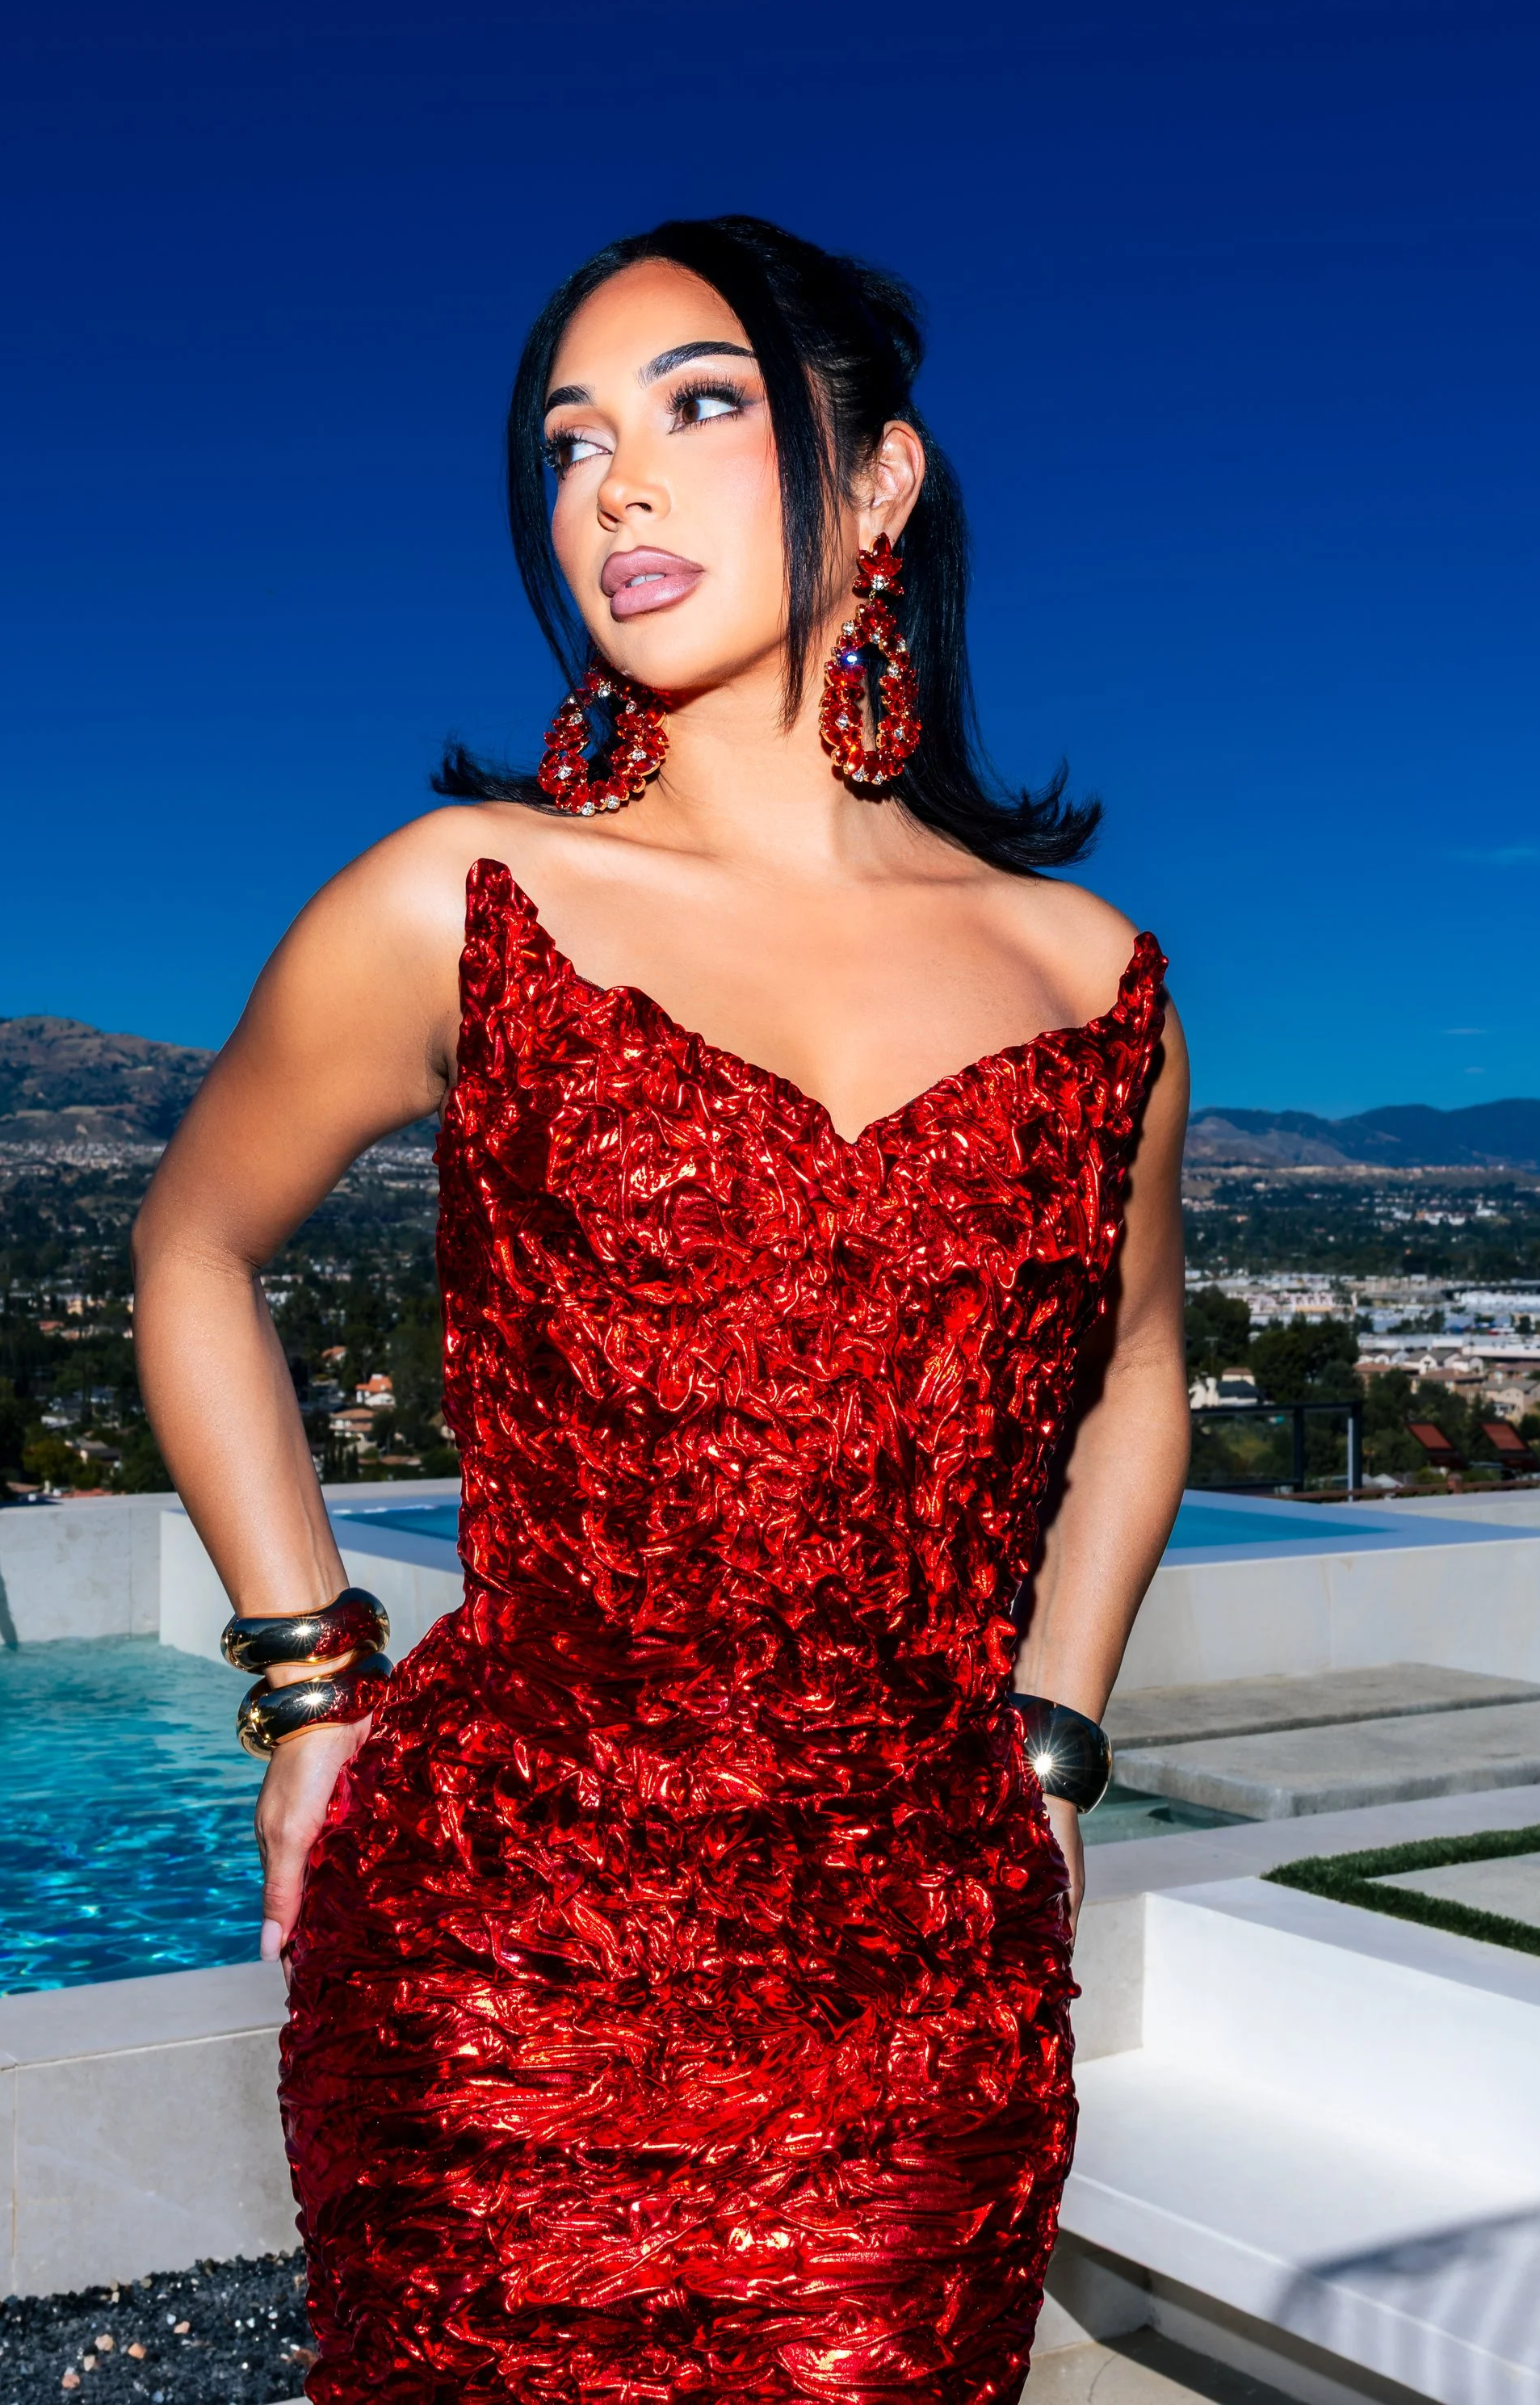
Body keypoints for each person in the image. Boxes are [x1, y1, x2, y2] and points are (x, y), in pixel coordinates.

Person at [133, 215, 1190, 2404]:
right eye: (568, 442)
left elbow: (1137, 1382)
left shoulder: (1088, 980)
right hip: (496, 1978)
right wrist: (310, 1689)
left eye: (697, 404)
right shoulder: (458, 898)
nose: (614, 484)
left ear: (876, 480)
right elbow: (191, 1245)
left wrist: (1052, 1743)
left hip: (926, 1995)